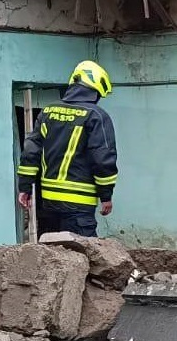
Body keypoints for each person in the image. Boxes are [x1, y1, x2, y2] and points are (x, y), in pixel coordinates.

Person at [16, 60, 119, 238]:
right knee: (83, 255)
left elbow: (30, 152)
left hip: (49, 202)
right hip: (79, 205)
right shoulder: (96, 116)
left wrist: (25, 186)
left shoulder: (47, 112)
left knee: (53, 256)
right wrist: (106, 195)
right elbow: (103, 159)